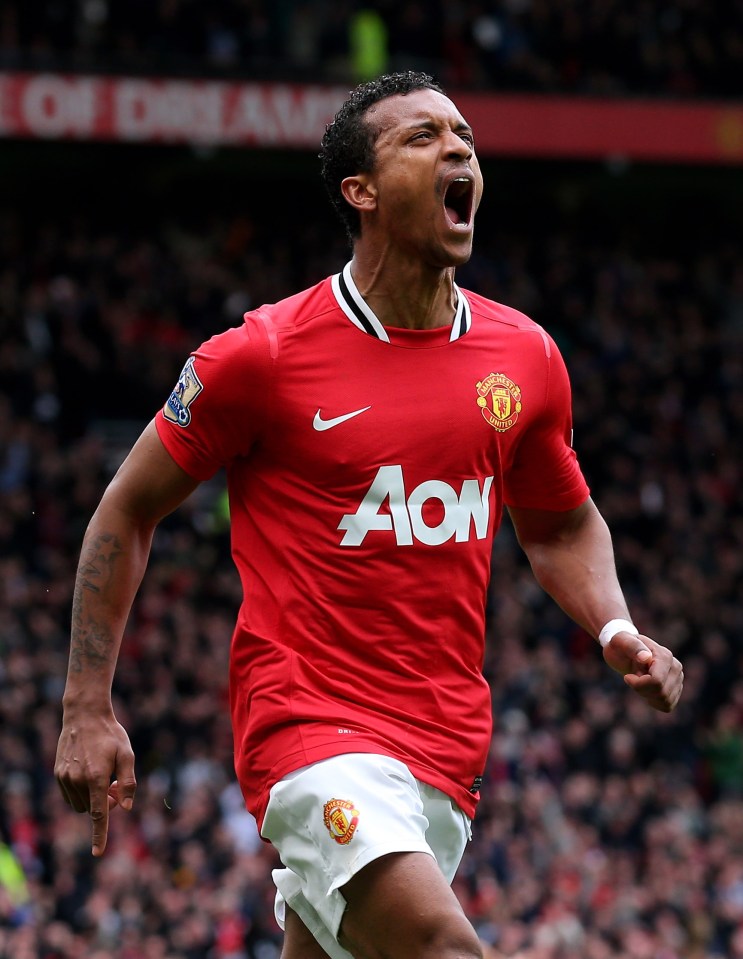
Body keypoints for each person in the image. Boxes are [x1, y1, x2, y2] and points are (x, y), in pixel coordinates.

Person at [55, 71, 684, 959]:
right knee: (443, 949)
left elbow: (557, 522)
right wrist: (86, 702)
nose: (459, 148)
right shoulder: (261, 356)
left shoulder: (524, 357)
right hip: (309, 724)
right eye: (423, 137)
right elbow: (128, 506)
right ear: (360, 191)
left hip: (446, 743)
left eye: (463, 134)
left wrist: (614, 624)